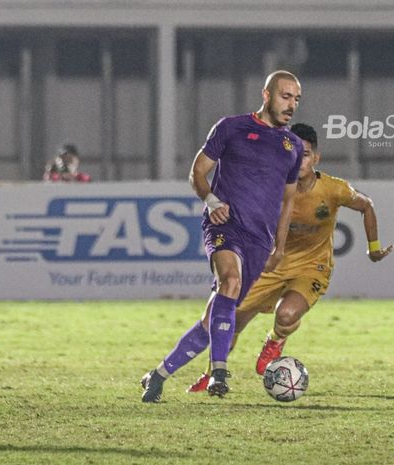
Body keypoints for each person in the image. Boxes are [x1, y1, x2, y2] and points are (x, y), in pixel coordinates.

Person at [186, 122, 394, 393]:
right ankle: (213, 375)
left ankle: (275, 339)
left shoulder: (333, 189)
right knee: (232, 319)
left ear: (316, 158)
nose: (297, 159)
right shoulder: (268, 187)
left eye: (305, 154)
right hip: (269, 264)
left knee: (286, 314)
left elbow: (366, 205)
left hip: (311, 267)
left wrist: (374, 247)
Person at [141, 70, 304, 401]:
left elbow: (288, 201)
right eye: (286, 96)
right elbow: (197, 172)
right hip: (223, 223)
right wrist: (212, 201)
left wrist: (280, 246)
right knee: (229, 281)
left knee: (212, 319)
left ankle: (156, 376)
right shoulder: (231, 127)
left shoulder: (293, 146)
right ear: (267, 95)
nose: (291, 105)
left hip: (259, 239)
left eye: (296, 99)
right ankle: (219, 372)